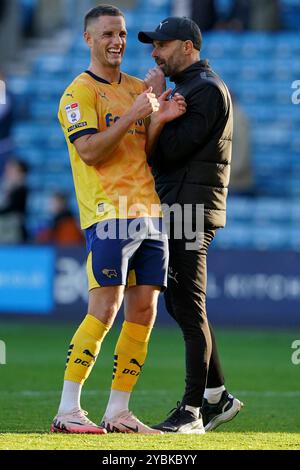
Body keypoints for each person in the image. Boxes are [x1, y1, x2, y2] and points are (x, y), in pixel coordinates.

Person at [51, 4, 186, 435]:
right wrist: (134, 114)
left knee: (144, 311)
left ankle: (118, 412)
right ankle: (68, 409)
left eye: (123, 34)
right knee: (105, 309)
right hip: (108, 212)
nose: (118, 42)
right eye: (108, 34)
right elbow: (90, 151)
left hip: (148, 211)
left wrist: (158, 120)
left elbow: (138, 152)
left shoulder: (135, 87)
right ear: (88, 39)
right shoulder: (78, 93)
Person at [138, 16, 243, 433]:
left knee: (187, 303)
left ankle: (192, 411)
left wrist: (156, 110)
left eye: (162, 45)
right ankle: (217, 397)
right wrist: (160, 108)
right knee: (181, 302)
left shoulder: (205, 90)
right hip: (181, 204)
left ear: (188, 46)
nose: (154, 52)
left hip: (191, 208)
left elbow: (170, 155)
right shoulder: (189, 89)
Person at [0, 158, 28, 243]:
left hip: (13, 228)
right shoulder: (5, 185)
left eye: (12, 170)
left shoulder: (21, 188)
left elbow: (13, 206)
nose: (9, 172)